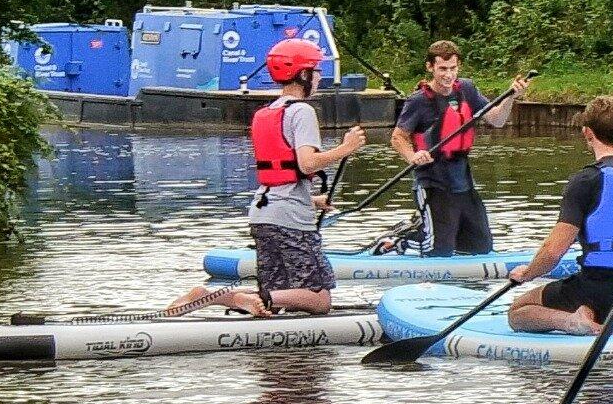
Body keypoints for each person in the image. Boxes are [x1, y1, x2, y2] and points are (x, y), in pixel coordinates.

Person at [165, 36, 369, 317]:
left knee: (279, 298)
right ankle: (230, 297)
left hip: (264, 213)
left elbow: (281, 176)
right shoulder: (302, 111)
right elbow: (307, 164)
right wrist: (345, 149)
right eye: (318, 71)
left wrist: (311, 200)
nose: (320, 78)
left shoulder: (266, 112)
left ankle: (214, 297)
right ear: (304, 74)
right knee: (319, 299)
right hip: (289, 220)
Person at [506, 94, 613, 333]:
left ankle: (575, 320)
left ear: (587, 133)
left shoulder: (586, 180)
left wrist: (528, 273)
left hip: (597, 290)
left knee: (518, 312)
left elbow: (553, 251)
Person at [389, 43, 531, 256]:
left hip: (463, 182)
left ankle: (427, 229)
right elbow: (398, 137)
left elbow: (498, 120)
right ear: (430, 67)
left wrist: (511, 96)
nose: (449, 75)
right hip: (432, 183)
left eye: (453, 68)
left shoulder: (467, 89)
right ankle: (400, 242)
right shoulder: (418, 101)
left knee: (481, 248)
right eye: (442, 69)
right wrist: (412, 155)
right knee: (439, 250)